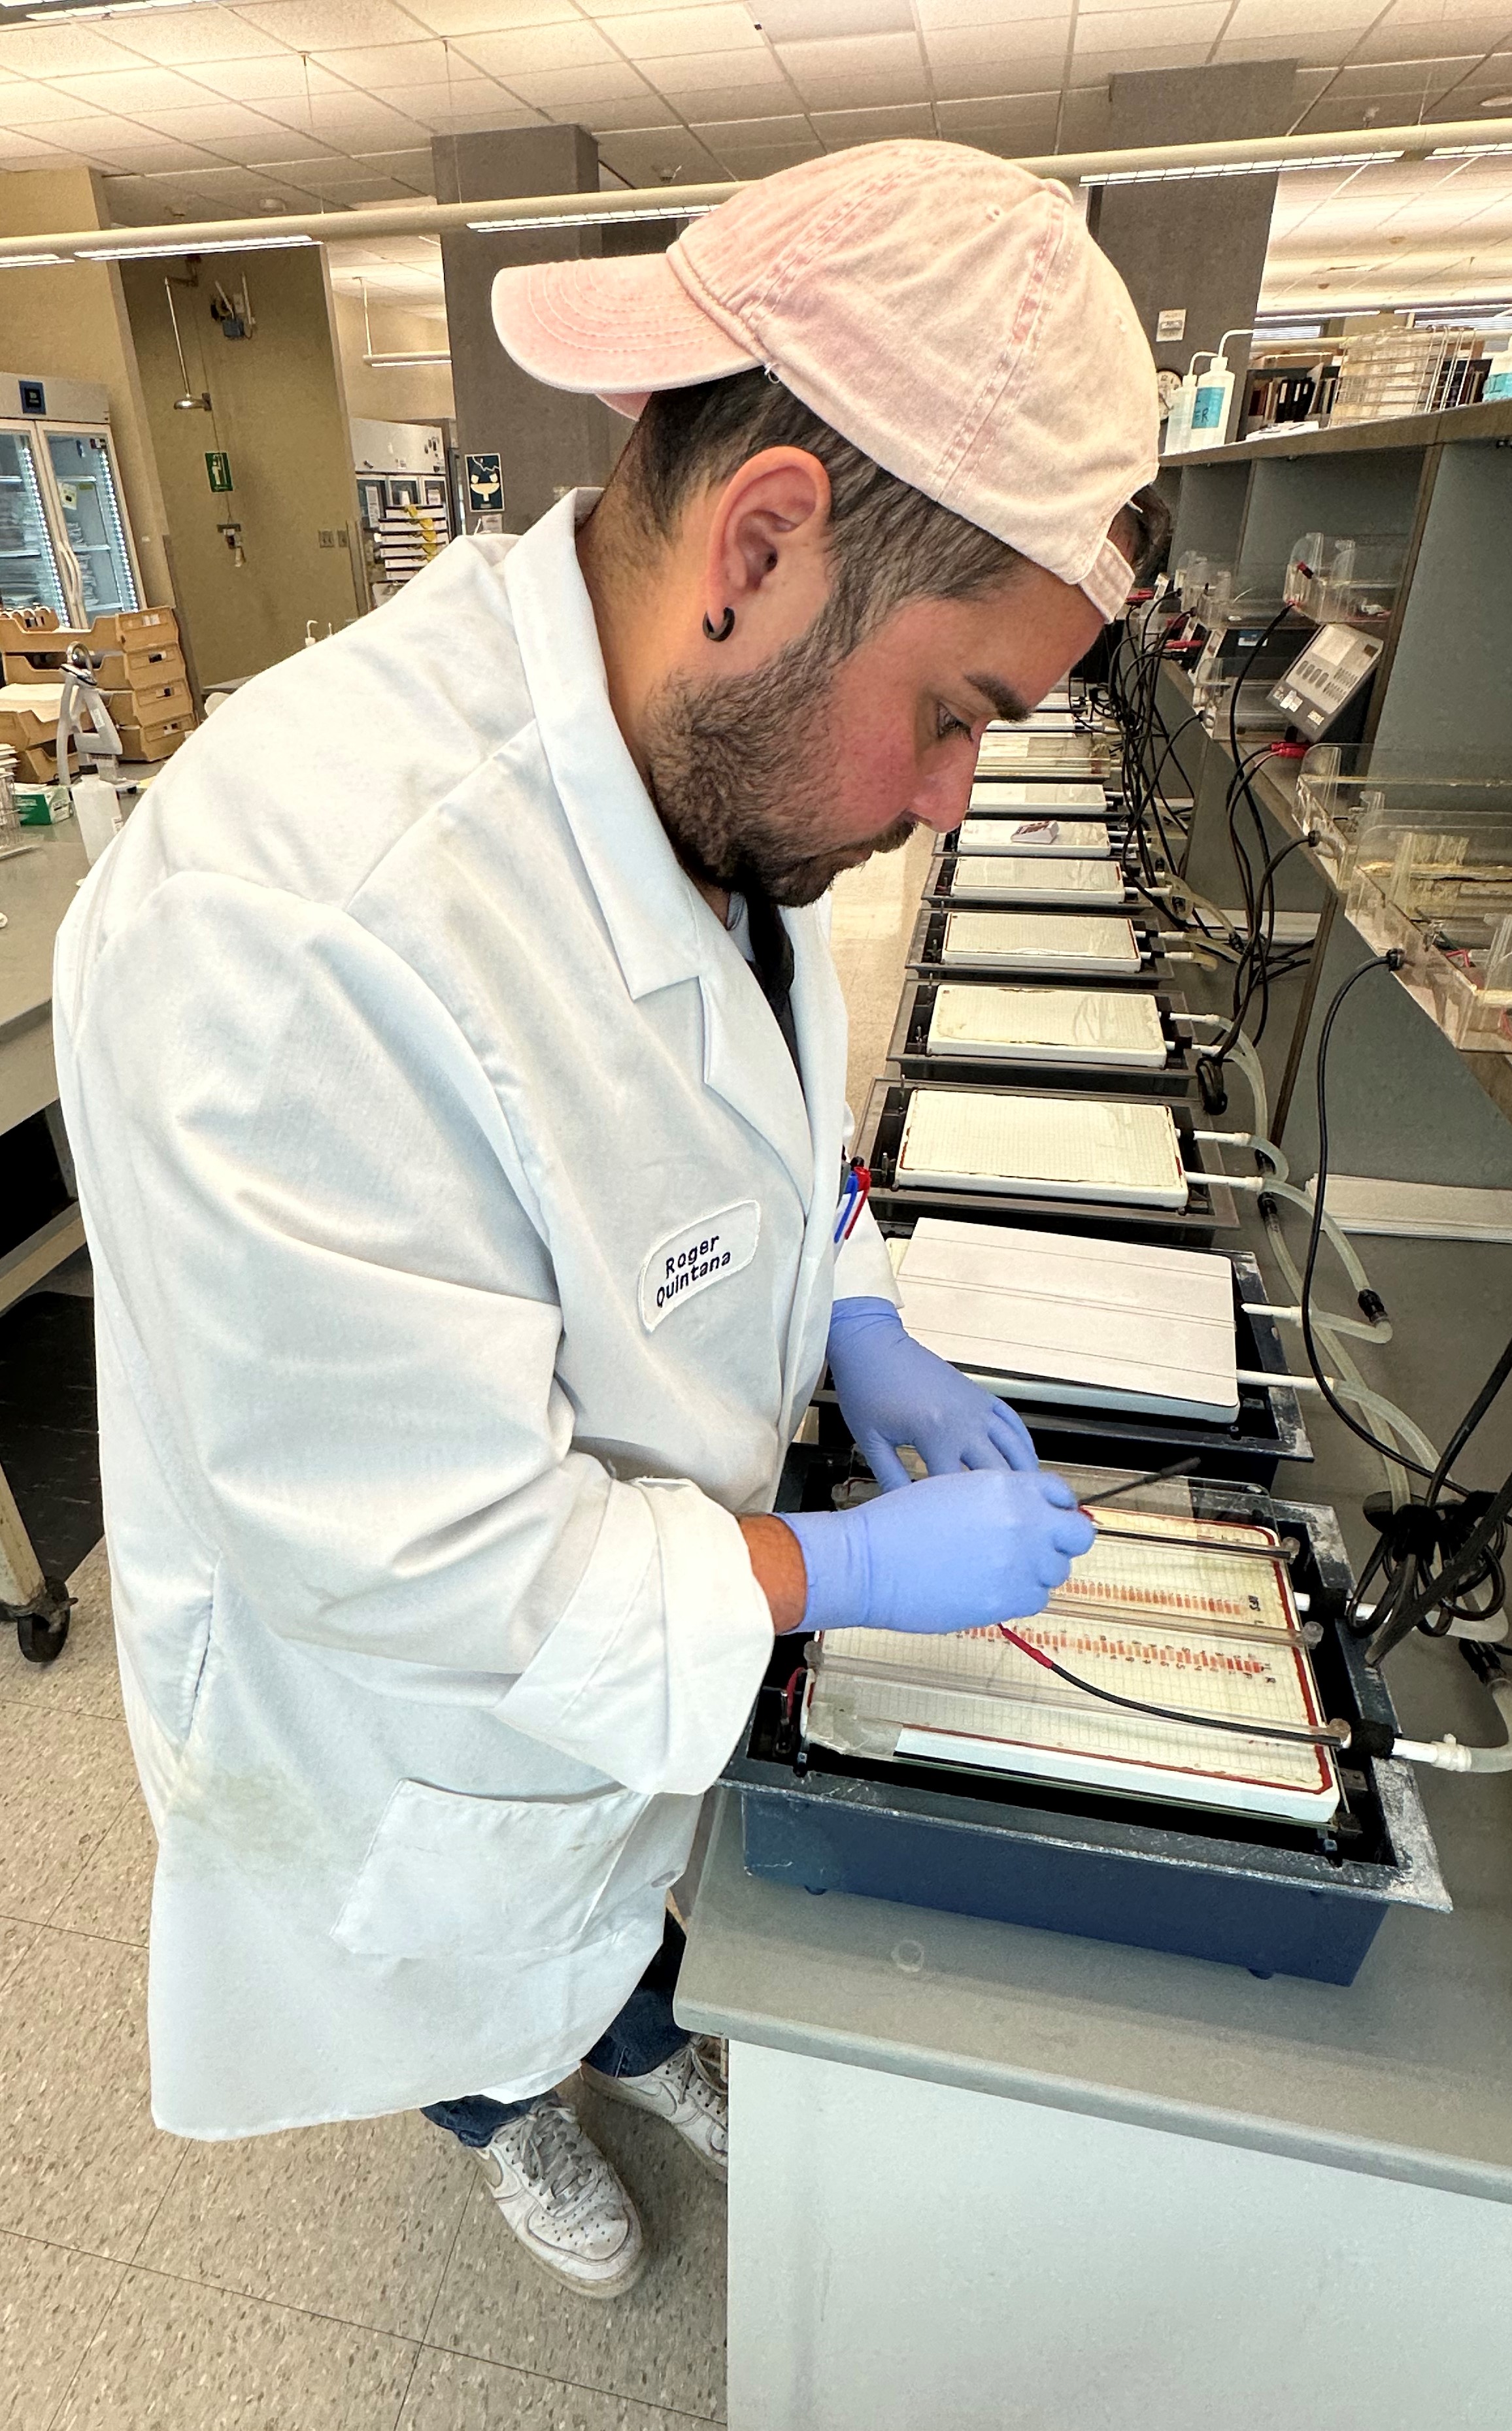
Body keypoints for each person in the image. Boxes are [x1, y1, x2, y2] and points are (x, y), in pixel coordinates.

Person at [52, 139, 1160, 2300]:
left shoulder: (705, 775)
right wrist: (838, 1568)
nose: (951, 797)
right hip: (415, 1698)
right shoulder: (296, 928)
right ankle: (500, 2107)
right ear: (764, 540)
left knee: (621, 1906)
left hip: (627, 1636)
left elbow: (746, 1117)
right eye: (956, 715)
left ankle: (634, 2025)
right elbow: (438, 1567)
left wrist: (854, 1306)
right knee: (475, 1956)